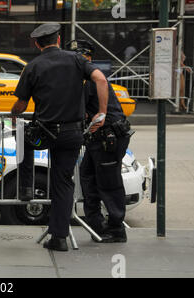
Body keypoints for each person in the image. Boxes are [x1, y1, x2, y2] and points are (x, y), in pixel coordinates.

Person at [11, 23, 108, 252]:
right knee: (63, 183)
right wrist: (101, 113)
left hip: (44, 134)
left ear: (37, 43)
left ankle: (26, 186)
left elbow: (21, 104)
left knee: (24, 136)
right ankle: (59, 237)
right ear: (59, 39)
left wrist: (15, 114)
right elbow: (101, 80)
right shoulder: (77, 60)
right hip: (72, 133)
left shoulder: (33, 66)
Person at [69, 39, 132, 243]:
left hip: (107, 138)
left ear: (87, 58)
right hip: (100, 139)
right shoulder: (86, 80)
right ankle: (96, 225)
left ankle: (116, 229)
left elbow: (77, 111)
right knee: (88, 176)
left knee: (109, 184)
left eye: (80, 57)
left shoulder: (91, 80)